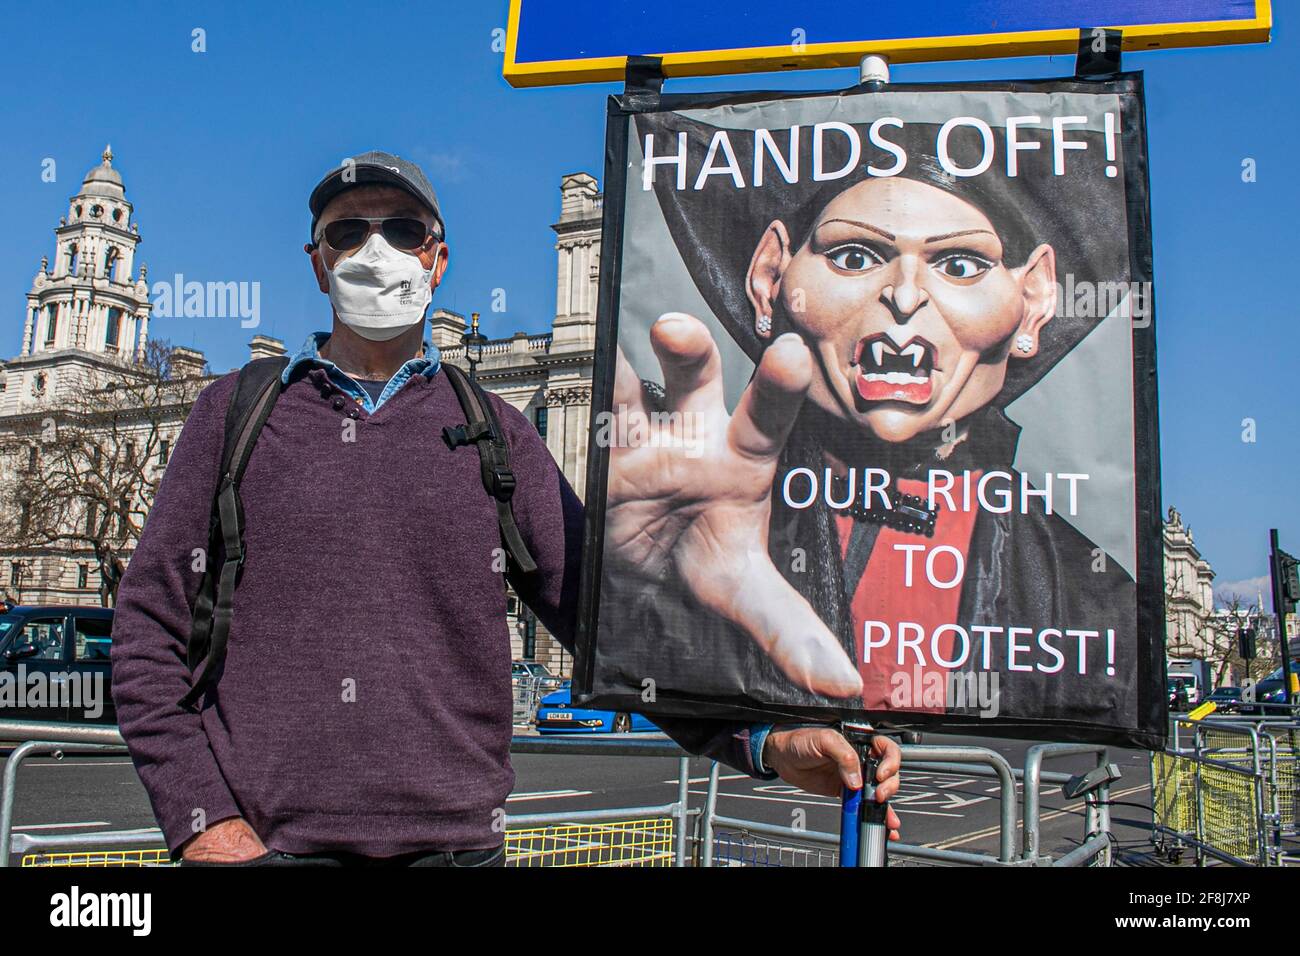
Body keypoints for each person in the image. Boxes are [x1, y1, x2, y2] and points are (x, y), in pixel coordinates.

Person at [110, 149, 901, 866]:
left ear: (438, 259)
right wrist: (204, 822)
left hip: (455, 852)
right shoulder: (235, 413)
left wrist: (762, 740)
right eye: (347, 233)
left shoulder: (497, 433)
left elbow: (607, 636)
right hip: (268, 848)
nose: (374, 251)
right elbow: (148, 629)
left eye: (403, 230)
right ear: (317, 264)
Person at [602, 113, 1139, 738]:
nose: (905, 296)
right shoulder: (697, 527)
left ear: (1035, 300)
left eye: (961, 264)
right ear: (770, 278)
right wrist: (632, 583)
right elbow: (650, 664)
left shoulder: (1092, 600)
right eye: (855, 255)